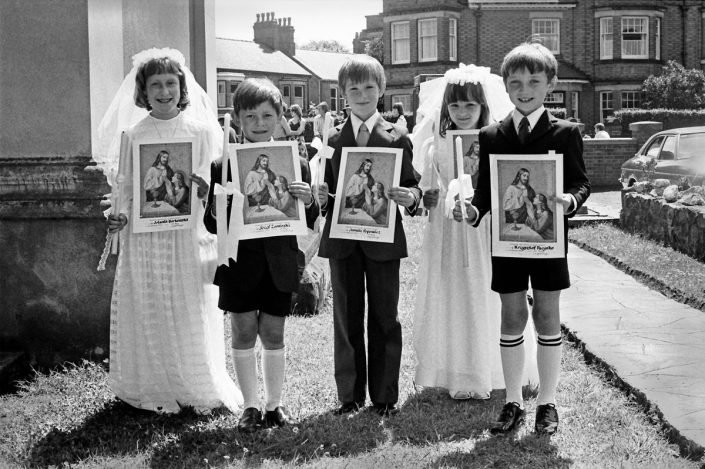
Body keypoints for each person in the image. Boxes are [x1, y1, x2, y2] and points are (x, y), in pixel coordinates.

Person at [453, 41, 590, 435]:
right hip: (507, 243)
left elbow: (580, 182)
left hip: (550, 243)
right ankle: (513, 400)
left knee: (547, 315)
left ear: (551, 83)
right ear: (506, 86)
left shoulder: (565, 134)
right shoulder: (492, 134)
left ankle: (547, 403)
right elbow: (484, 193)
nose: (524, 88)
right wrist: (474, 210)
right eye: (516, 82)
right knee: (512, 315)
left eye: (534, 80)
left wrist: (569, 199)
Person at [96, 48, 242, 414]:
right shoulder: (134, 134)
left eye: (170, 83)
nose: (164, 91)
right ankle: (152, 381)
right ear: (143, 91)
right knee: (151, 303)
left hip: (185, 235)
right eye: (156, 84)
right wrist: (121, 217)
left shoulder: (200, 132)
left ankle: (193, 381)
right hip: (145, 238)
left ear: (182, 87)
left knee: (185, 302)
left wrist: (204, 190)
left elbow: (213, 190)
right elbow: (128, 191)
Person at [411, 63, 538, 402]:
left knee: (488, 294)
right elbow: (427, 190)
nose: (462, 112)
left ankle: (494, 368)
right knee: (454, 296)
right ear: (445, 108)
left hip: (484, 232)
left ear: (483, 106)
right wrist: (431, 197)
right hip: (449, 234)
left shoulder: (496, 140)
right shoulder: (435, 147)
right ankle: (459, 369)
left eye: (470, 105)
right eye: (455, 106)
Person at [204, 77, 319, 433]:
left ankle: (274, 405)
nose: (258, 123)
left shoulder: (296, 161)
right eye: (250, 116)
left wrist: (308, 197)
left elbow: (310, 218)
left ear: (281, 117)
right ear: (236, 118)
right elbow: (211, 225)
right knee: (242, 331)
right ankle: (250, 406)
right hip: (239, 261)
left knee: (273, 332)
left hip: (278, 260)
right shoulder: (222, 165)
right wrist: (220, 203)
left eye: (267, 115)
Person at [316, 54, 422, 417]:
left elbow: (412, 185)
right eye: (353, 88)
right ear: (342, 93)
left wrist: (412, 198)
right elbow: (328, 190)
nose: (362, 94)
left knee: (384, 316)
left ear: (382, 90)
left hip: (383, 240)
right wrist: (320, 197)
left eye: (369, 87)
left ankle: (385, 396)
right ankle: (349, 396)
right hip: (343, 241)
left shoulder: (398, 137)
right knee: (346, 317)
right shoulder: (331, 138)